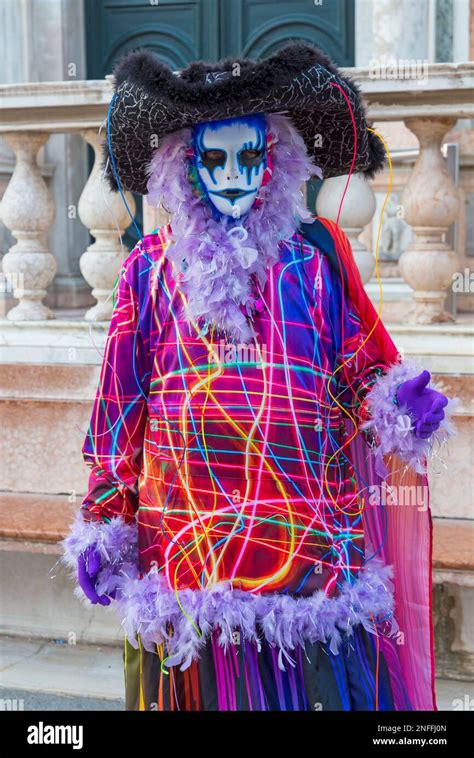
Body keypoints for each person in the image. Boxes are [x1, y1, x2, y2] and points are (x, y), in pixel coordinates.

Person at [61, 42, 454, 711]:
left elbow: (358, 366)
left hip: (304, 544)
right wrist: (104, 513)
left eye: (252, 157)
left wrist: (397, 401)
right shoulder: (149, 269)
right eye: (215, 160)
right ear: (186, 164)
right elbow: (119, 410)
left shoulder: (314, 259)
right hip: (188, 548)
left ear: (279, 161)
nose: (235, 176)